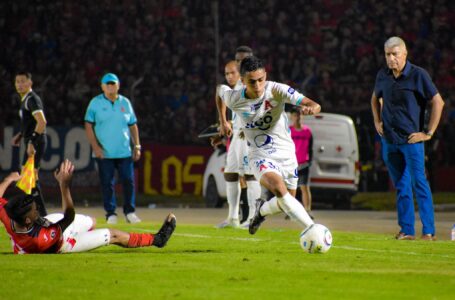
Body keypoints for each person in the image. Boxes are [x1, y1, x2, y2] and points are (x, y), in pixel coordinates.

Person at [218, 56, 321, 235]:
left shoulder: (276, 90)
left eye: (261, 80)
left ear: (265, 75)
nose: (258, 86)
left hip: (286, 152)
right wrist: (223, 121)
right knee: (279, 189)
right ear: (242, 81)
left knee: (286, 202)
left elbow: (313, 104)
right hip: (259, 153)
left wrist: (311, 108)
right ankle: (312, 228)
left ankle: (261, 211)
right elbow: (220, 91)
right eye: (252, 82)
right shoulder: (234, 98)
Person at [0, 160, 176, 254]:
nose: (37, 209)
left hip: (48, 225)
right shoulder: (40, 239)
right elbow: (67, 217)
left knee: (92, 221)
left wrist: (8, 180)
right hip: (63, 244)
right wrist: (64, 186)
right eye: (34, 209)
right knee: (112, 234)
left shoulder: (11, 216)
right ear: (28, 219)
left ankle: (90, 234)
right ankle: (157, 239)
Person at [370, 36, 445, 241]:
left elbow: (438, 102)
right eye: (388, 54)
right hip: (390, 141)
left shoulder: (418, 75)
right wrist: (377, 121)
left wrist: (428, 133)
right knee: (401, 186)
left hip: (412, 141)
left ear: (404, 54)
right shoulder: (383, 75)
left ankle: (428, 231)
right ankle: (407, 230)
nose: (391, 58)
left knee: (419, 183)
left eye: (395, 54)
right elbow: (375, 98)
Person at [84, 73, 142, 224]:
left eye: (113, 84)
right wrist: (95, 147)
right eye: (107, 84)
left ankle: (130, 212)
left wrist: (137, 145)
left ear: (118, 85)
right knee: (107, 183)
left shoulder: (125, 103)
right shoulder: (95, 103)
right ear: (102, 86)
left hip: (124, 151)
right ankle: (111, 213)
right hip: (104, 152)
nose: (110, 86)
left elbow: (133, 125)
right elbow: (88, 126)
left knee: (128, 181)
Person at [214, 48, 261, 229]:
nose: (240, 63)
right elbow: (220, 91)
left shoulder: (253, 83)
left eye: (243, 60)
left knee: (251, 176)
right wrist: (224, 126)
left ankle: (252, 218)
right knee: (231, 173)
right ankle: (233, 217)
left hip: (249, 136)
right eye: (237, 60)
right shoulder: (238, 85)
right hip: (236, 137)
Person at [11, 71, 48, 216]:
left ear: (29, 83)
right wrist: (21, 135)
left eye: (22, 81)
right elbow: (31, 122)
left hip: (36, 142)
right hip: (33, 141)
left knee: (28, 179)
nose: (19, 84)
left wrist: (31, 141)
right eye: (17, 82)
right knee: (30, 179)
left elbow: (42, 122)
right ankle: (39, 213)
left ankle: (41, 214)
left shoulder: (31, 99)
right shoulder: (26, 99)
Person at [289, 108, 314, 219]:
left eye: (299, 115)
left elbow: (311, 148)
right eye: (295, 115)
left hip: (303, 164)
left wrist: (310, 161)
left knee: (304, 187)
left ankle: (307, 210)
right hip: (291, 164)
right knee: (290, 188)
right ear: (291, 117)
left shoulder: (307, 131)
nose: (297, 118)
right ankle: (290, 211)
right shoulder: (288, 131)